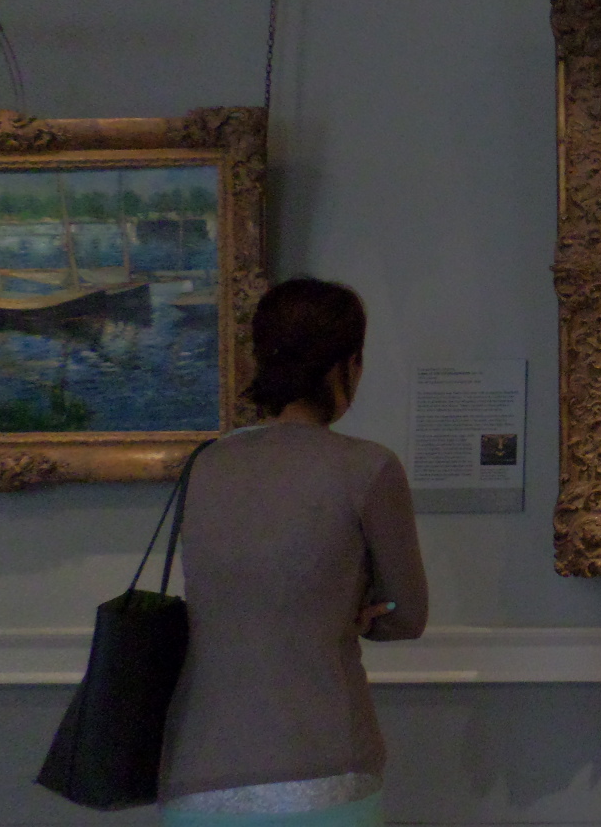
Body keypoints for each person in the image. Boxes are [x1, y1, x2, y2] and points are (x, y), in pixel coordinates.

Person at [159, 278, 427, 827]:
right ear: (346, 365)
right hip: (323, 763)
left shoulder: (205, 464)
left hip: (196, 763)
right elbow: (407, 615)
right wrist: (360, 613)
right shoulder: (369, 468)